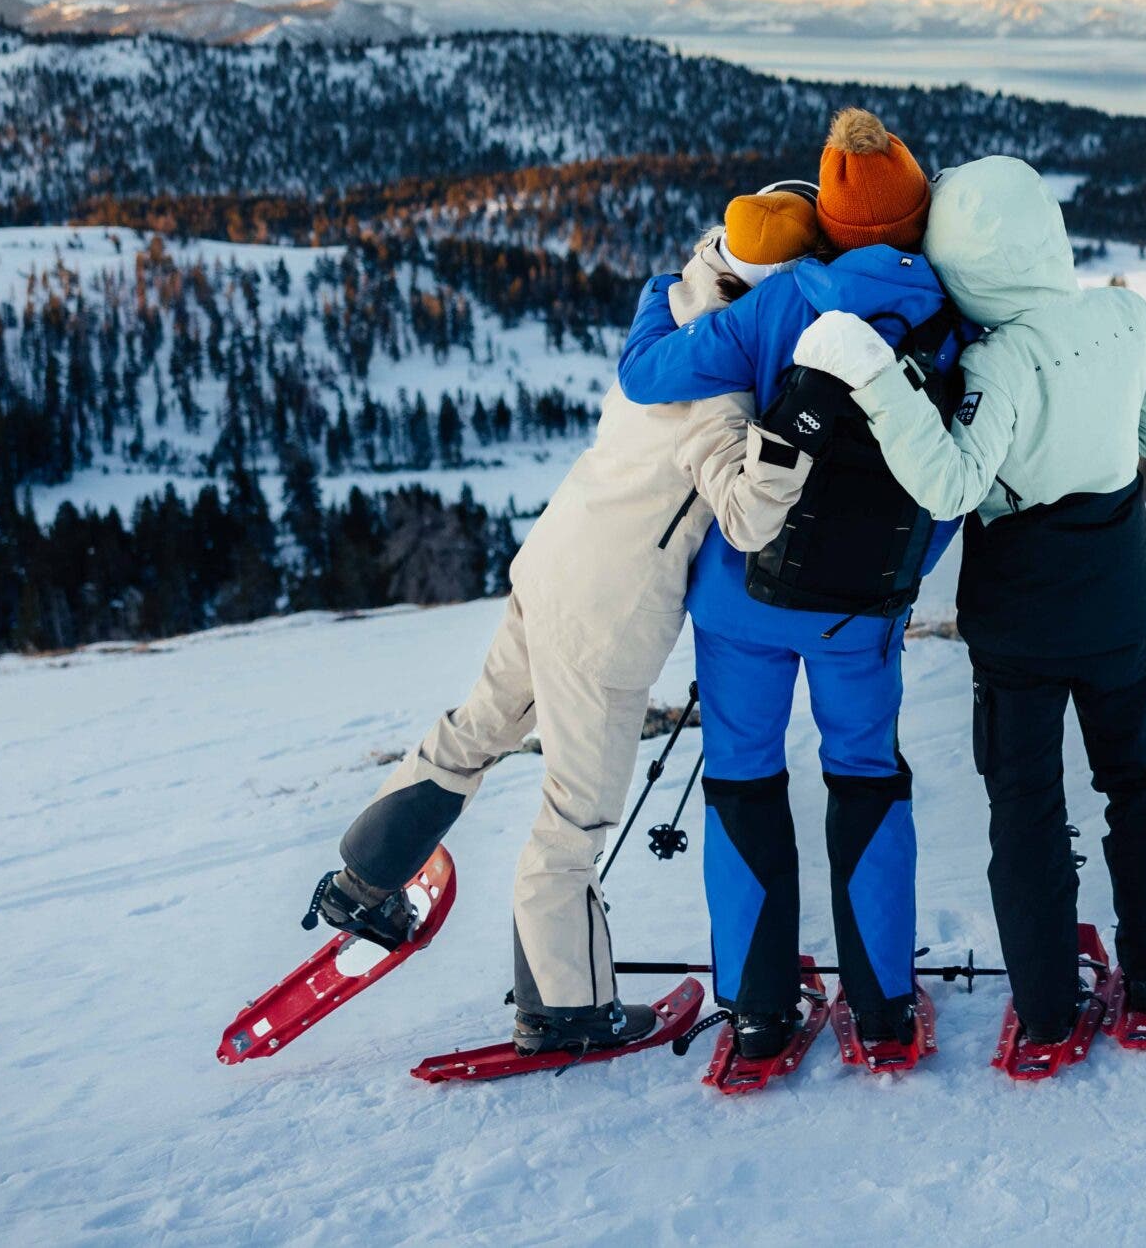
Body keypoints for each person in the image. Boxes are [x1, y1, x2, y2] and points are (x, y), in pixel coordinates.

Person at [307, 181, 825, 1055]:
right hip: (608, 613)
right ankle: (566, 1009)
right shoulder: (720, 380)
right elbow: (743, 515)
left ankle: (365, 877)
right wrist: (789, 445)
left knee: (479, 726)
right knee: (576, 817)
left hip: (551, 560)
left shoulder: (672, 308)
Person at [792, 153, 1146, 1045]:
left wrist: (876, 375)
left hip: (1020, 617)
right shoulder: (1126, 315)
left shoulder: (997, 363)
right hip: (1123, 599)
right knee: (1137, 785)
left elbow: (949, 484)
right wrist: (1097, 436)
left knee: (1026, 805)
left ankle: (1050, 1007)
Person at [614, 107, 967, 1059]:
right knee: (867, 775)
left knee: (742, 776)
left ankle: (762, 1011)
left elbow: (648, 375)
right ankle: (885, 1008)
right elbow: (954, 471)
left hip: (744, 605)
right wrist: (905, 575)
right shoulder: (950, 318)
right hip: (863, 610)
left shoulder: (780, 303)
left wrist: (666, 286)